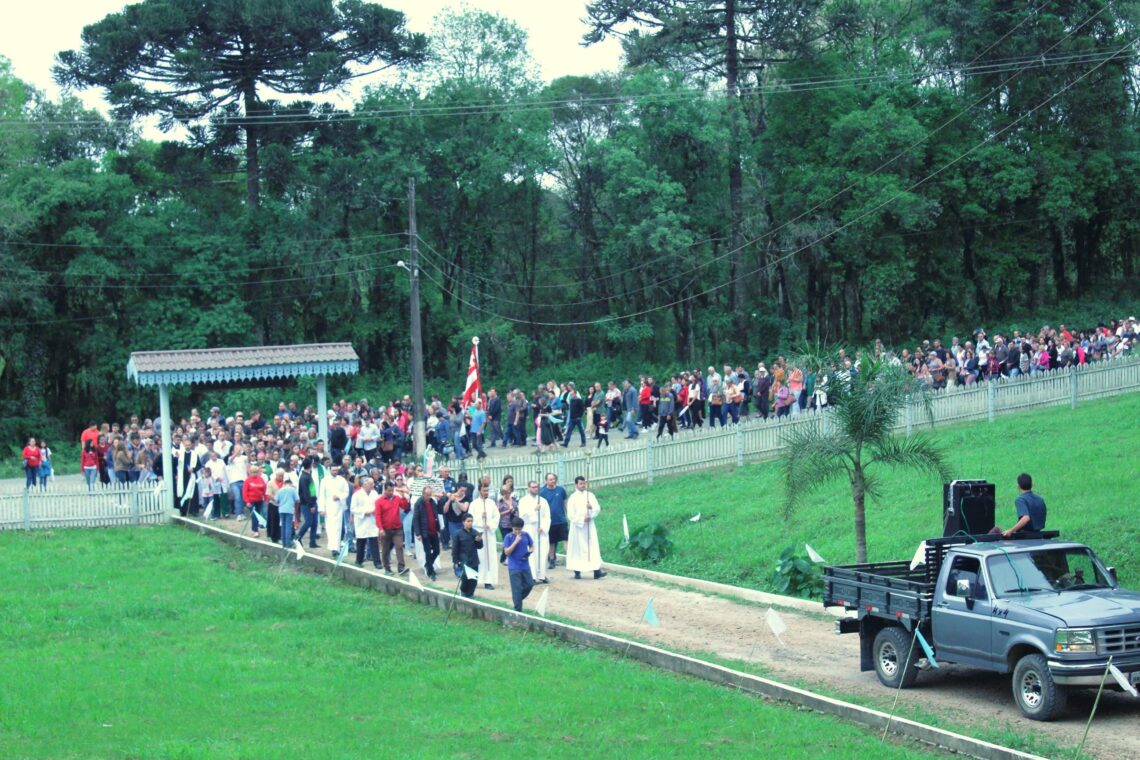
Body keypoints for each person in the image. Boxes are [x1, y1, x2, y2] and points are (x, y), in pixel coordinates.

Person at [566, 476, 606, 580]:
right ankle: (577, 571)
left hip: (589, 526)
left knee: (592, 547)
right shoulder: (573, 498)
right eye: (580, 484)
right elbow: (570, 514)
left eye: (584, 484)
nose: (583, 486)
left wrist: (591, 510)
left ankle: (596, 571)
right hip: (578, 528)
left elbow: (597, 508)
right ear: (576, 484)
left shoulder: (590, 495)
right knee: (577, 549)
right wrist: (581, 519)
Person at [517, 480, 551, 584]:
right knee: (531, 552)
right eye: (533, 487)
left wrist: (543, 527)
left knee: (542, 551)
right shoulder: (523, 501)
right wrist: (534, 510)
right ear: (528, 488)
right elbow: (522, 516)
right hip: (529, 528)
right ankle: (532, 576)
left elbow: (547, 516)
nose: (535, 489)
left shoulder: (543, 501)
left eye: (537, 487)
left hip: (540, 530)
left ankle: (541, 574)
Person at [375, 480, 409, 575]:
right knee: (385, 550)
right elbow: (378, 516)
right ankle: (387, 568)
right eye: (389, 490)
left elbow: (405, 507)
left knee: (399, 546)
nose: (391, 492)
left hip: (397, 528)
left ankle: (401, 567)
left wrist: (403, 497)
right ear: (385, 490)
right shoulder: (379, 501)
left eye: (392, 490)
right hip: (385, 529)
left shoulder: (397, 498)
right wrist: (380, 528)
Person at [412, 484, 446, 581]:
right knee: (427, 552)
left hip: (434, 531)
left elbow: (440, 511)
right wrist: (418, 533)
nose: (429, 497)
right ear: (423, 494)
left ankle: (428, 564)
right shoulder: (418, 503)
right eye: (427, 495)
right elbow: (415, 519)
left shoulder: (432, 502)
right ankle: (431, 572)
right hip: (424, 532)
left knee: (437, 551)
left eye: (430, 494)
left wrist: (439, 501)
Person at [503, 516, 536, 612]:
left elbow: (532, 546)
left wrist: (530, 552)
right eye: (515, 529)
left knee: (530, 584)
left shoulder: (526, 535)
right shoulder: (508, 537)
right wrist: (516, 541)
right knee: (516, 588)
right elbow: (507, 552)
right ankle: (518, 608)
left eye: (519, 529)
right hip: (514, 567)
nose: (517, 531)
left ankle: (517, 599)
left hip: (525, 565)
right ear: (512, 527)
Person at [470, 482, 499, 589]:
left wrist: (489, 524)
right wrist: (480, 518)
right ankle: (476, 579)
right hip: (479, 533)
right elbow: (470, 519)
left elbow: (496, 517)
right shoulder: (474, 504)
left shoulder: (491, 503)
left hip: (489, 533)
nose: (486, 492)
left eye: (487, 490)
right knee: (479, 557)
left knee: (489, 557)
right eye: (484, 490)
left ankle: (488, 580)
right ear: (479, 491)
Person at [1002, 473, 1047, 537]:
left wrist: (1011, 531)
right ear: (1032, 485)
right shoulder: (1040, 499)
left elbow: (1026, 518)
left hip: (1024, 536)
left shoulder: (1021, 500)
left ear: (1018, 486)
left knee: (996, 530)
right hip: (1038, 534)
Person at [539, 473, 568, 571]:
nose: (553, 481)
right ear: (546, 481)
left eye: (554, 479)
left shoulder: (561, 490)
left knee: (566, 540)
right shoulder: (542, 493)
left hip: (561, 520)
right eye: (550, 479)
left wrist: (569, 515)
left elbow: (565, 503)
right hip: (550, 521)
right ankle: (552, 560)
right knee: (551, 542)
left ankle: (570, 558)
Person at [451, 513, 483, 599]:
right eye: (468, 521)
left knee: (473, 580)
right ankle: (463, 592)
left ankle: (470, 595)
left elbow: (480, 547)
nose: (470, 523)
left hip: (474, 559)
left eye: (471, 521)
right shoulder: (458, 534)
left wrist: (479, 541)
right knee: (465, 578)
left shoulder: (475, 532)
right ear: (463, 522)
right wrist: (455, 561)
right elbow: (455, 549)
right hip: (464, 560)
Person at [319, 465, 349, 556]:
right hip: (328, 506)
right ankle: (332, 546)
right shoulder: (325, 480)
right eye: (333, 470)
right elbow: (322, 495)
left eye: (336, 470)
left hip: (339, 506)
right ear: (330, 470)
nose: (335, 472)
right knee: (329, 527)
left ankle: (336, 548)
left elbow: (346, 492)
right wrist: (321, 508)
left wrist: (339, 497)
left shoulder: (342, 480)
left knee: (338, 528)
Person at [352, 478, 381, 569]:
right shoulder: (357, 495)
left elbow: (378, 505)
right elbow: (353, 508)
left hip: (372, 521)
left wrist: (374, 511)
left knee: (374, 542)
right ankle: (359, 561)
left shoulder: (374, 493)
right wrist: (364, 512)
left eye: (372, 484)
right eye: (369, 484)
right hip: (361, 521)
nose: (372, 485)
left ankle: (377, 562)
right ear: (364, 485)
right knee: (361, 542)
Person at [295, 458, 319, 549]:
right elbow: (306, 493)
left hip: (311, 502)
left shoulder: (307, 475)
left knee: (314, 522)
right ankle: (298, 536)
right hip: (307, 504)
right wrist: (311, 504)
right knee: (309, 522)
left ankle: (312, 542)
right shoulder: (305, 477)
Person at [242, 462, 268, 538]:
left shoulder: (261, 479)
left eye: (256, 472)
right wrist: (247, 501)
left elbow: (264, 489)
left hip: (259, 500)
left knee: (258, 515)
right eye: (253, 472)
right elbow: (244, 492)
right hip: (251, 501)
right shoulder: (247, 480)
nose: (254, 474)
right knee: (254, 515)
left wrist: (265, 498)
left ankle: (256, 528)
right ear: (250, 472)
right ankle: (255, 530)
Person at [274, 474, 299, 547]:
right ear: (290, 484)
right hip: (290, 510)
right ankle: (288, 543)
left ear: (284, 484)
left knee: (283, 525)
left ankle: (283, 542)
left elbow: (276, 500)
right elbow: (297, 500)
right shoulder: (292, 490)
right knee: (288, 526)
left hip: (281, 509)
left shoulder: (280, 490)